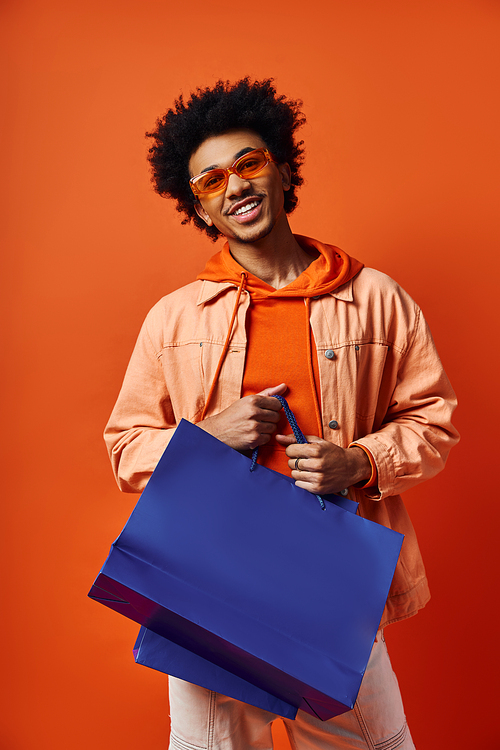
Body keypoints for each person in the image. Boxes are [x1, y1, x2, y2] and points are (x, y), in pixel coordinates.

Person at [104, 78, 459, 750]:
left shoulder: (378, 299)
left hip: (329, 579)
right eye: (209, 181)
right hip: (207, 578)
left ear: (283, 169)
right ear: (199, 208)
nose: (233, 186)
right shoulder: (173, 319)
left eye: (247, 163)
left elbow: (433, 423)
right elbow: (126, 447)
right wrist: (206, 438)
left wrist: (359, 461)